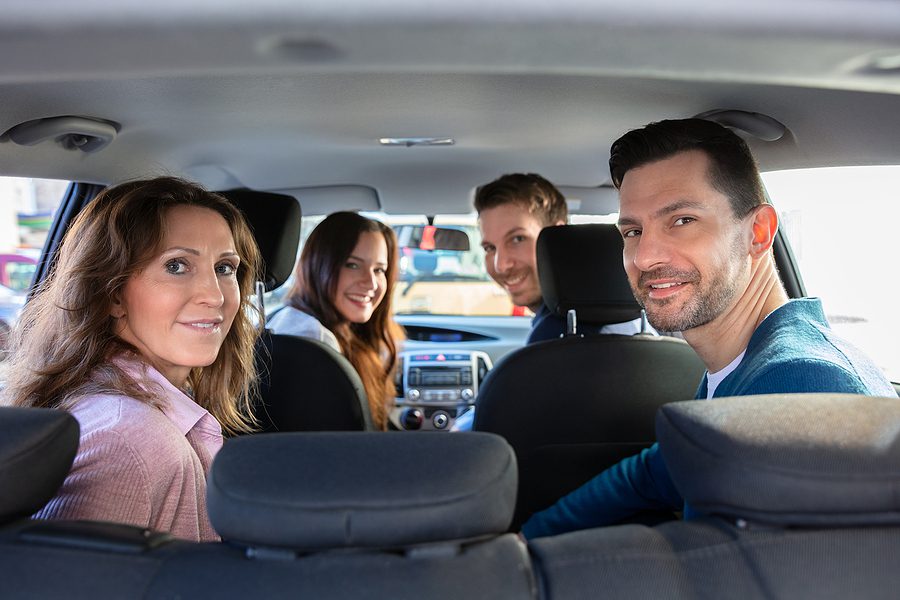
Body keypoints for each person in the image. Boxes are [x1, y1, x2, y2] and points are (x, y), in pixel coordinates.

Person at [521, 118, 898, 540]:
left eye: (682, 220)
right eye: (633, 231)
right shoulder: (744, 367)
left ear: (758, 232)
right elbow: (653, 474)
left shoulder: (800, 384)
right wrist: (524, 543)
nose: (644, 256)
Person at [2, 177, 263, 542]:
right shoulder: (131, 440)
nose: (215, 295)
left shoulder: (140, 413)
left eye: (224, 268)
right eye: (177, 266)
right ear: (112, 294)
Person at [268, 211, 404, 430]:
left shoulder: (282, 317)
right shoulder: (315, 341)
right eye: (352, 265)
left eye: (379, 270)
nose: (370, 282)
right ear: (318, 265)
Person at [475, 173, 646, 343]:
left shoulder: (553, 341)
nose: (501, 265)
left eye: (518, 239)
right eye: (489, 248)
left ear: (558, 238)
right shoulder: (641, 329)